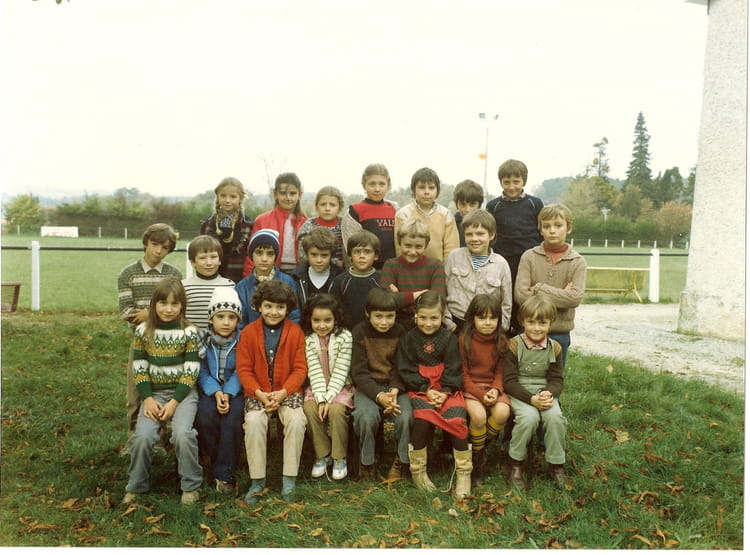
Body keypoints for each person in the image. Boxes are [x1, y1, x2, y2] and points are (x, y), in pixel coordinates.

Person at [122, 278, 202, 505]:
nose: (168, 309)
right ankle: (136, 486)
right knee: (142, 437)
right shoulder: (143, 331)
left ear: (182, 306)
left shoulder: (189, 332)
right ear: (154, 305)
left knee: (182, 434)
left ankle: (191, 485)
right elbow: (139, 368)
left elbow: (191, 370)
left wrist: (175, 402)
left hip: (183, 395)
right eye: (163, 303)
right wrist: (147, 399)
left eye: (174, 304)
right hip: (154, 395)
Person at [236, 280, 308, 503]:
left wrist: (283, 392)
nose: (273, 312)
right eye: (268, 306)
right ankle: (257, 480)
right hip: (258, 393)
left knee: (296, 421)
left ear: (288, 308)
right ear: (259, 306)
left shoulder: (295, 332)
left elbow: (300, 369)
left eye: (280, 307)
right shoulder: (248, 333)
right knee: (254, 422)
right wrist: (259, 393)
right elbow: (244, 369)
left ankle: (289, 479)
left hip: (287, 392)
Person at [397, 291, 472, 499]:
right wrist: (426, 388)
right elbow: (405, 369)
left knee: (457, 419)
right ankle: (419, 471)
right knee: (422, 419)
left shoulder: (449, 338)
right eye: (422, 317)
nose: (428, 323)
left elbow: (454, 367)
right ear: (415, 314)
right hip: (421, 388)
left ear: (442, 316)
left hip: (446, 389)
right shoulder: (408, 338)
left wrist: (446, 391)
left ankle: (464, 473)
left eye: (434, 318)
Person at [117, 223, 182, 449]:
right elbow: (127, 311)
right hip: (141, 341)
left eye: (165, 248)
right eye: (155, 244)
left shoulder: (173, 274)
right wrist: (154, 315)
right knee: (136, 392)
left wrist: (148, 314)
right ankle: (134, 441)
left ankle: (161, 440)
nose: (158, 251)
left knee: (163, 389)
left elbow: (177, 310)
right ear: (146, 242)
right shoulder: (128, 274)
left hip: (170, 340)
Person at [503, 296, 567, 490]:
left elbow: (557, 379)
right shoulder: (514, 345)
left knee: (555, 417)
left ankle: (556, 464)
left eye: (542, 323)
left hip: (543, 390)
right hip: (520, 391)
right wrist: (531, 399)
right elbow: (509, 381)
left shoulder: (555, 347)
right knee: (529, 418)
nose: (537, 328)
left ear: (550, 323)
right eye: (531, 322)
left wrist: (549, 393)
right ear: (523, 321)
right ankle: (516, 462)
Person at [350, 288, 412, 482]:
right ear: (367, 313)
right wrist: (379, 396)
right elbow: (359, 372)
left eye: (389, 316)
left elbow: (401, 365)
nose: (384, 322)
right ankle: (367, 461)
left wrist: (394, 390)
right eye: (378, 316)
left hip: (395, 387)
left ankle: (401, 461)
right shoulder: (359, 332)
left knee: (406, 417)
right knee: (365, 416)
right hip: (369, 387)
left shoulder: (400, 332)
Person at [514, 203, 586, 368]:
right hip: (529, 331)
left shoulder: (577, 262)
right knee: (525, 376)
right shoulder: (529, 257)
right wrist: (561, 295)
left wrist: (539, 289)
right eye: (546, 226)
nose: (552, 230)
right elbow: (521, 295)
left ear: (568, 228)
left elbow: (574, 298)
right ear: (540, 229)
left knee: (554, 378)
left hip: (559, 333)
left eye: (558, 225)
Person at [485, 159, 544, 333]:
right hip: (503, 260)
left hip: (529, 260)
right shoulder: (493, 206)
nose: (511, 187)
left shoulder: (535, 204)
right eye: (507, 182)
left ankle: (525, 332)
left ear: (523, 181)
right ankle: (505, 333)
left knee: (526, 297)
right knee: (505, 296)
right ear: (501, 182)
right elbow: (490, 233)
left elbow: (541, 231)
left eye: (516, 181)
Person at [195, 287, 244, 495]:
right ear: (211, 319)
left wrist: (228, 393)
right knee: (205, 415)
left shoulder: (243, 340)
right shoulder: (203, 340)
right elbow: (201, 370)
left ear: (238, 320)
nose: (226, 322)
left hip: (236, 391)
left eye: (231, 317)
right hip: (211, 389)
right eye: (220, 317)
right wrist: (215, 392)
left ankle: (224, 474)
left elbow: (243, 369)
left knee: (232, 418)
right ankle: (216, 460)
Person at [458, 294, 511, 486]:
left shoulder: (501, 341)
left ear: (499, 319)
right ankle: (478, 459)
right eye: (482, 318)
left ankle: (478, 446)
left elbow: (500, 371)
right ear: (472, 318)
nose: (487, 323)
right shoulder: (464, 339)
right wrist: (480, 395)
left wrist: (495, 390)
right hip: (471, 388)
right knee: (479, 417)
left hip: (493, 386)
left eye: (492, 318)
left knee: (502, 412)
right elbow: (463, 375)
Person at [301, 294, 355, 481]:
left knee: (337, 410)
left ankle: (339, 457)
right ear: (310, 319)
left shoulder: (344, 337)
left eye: (327, 320)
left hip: (341, 386)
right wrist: (321, 399)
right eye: (316, 320)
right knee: (309, 408)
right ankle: (322, 454)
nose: (322, 325)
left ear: (336, 319)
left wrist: (329, 398)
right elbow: (314, 370)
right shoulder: (309, 339)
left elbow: (341, 370)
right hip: (317, 387)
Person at [444, 209, 512, 335]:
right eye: (469, 234)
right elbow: (443, 291)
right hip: (456, 323)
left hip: (488, 327)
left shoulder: (501, 264)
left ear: (491, 235)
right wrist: (449, 323)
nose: (474, 239)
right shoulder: (454, 257)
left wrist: (500, 329)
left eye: (480, 234)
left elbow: (506, 303)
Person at [378, 217, 447, 330]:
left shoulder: (435, 265)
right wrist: (416, 295)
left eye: (418, 247)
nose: (412, 251)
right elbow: (384, 301)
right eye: (408, 246)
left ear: (426, 245)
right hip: (396, 323)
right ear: (400, 243)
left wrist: (400, 298)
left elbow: (438, 300)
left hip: (427, 323)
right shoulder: (391, 265)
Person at [235, 229, 300, 328]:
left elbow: (294, 316)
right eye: (259, 253)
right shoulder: (242, 287)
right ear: (251, 255)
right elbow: (240, 322)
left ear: (275, 256)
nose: (264, 259)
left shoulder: (288, 282)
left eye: (270, 253)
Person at [245, 172, 308, 276]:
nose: (288, 198)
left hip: (299, 274)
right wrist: (250, 278)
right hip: (270, 273)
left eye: (292, 193)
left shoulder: (307, 223)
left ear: (299, 195)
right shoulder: (262, 220)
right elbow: (252, 254)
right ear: (275, 194)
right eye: (283, 193)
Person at [395, 167, 459, 263]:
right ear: (413, 190)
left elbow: (451, 248)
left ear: (437, 191)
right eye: (421, 187)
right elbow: (399, 247)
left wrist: (445, 269)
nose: (426, 192)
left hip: (438, 269)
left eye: (431, 188)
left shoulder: (446, 214)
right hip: (409, 268)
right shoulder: (403, 214)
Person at [341, 163, 398, 270]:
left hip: (392, 270)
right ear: (364, 185)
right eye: (372, 184)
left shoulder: (395, 210)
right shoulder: (355, 211)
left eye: (382, 184)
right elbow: (349, 246)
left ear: (388, 186)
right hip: (366, 271)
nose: (377, 189)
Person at [200, 177, 254, 284]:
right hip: (211, 279)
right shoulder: (207, 224)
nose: (227, 200)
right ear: (217, 196)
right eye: (223, 196)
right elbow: (199, 252)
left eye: (233, 196)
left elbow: (250, 256)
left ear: (240, 198)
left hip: (238, 280)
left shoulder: (248, 225)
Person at [182, 235, 235, 336]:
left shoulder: (229, 285)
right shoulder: (183, 286)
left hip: (221, 341)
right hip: (191, 340)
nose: (209, 263)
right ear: (193, 262)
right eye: (202, 258)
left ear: (220, 260)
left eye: (213, 257)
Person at [329, 230, 382, 329]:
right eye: (357, 251)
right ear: (350, 255)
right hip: (347, 332)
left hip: (376, 331)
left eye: (367, 252)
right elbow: (334, 310)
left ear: (376, 256)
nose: (362, 256)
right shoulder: (340, 281)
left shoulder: (382, 279)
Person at [291, 226, 343, 313]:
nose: (319, 260)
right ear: (307, 254)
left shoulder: (340, 277)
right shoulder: (297, 277)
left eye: (324, 255)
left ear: (331, 255)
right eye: (314, 255)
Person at [296, 186, 346, 270]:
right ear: (316, 206)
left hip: (340, 272)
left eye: (332, 205)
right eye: (323, 204)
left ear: (339, 208)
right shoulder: (308, 226)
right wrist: (335, 262)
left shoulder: (344, 226)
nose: (327, 209)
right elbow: (302, 256)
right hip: (313, 271)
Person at [453, 179, 484, 247]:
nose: (467, 210)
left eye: (472, 204)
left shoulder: (486, 225)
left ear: (479, 205)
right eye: (463, 204)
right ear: (457, 205)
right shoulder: (451, 225)